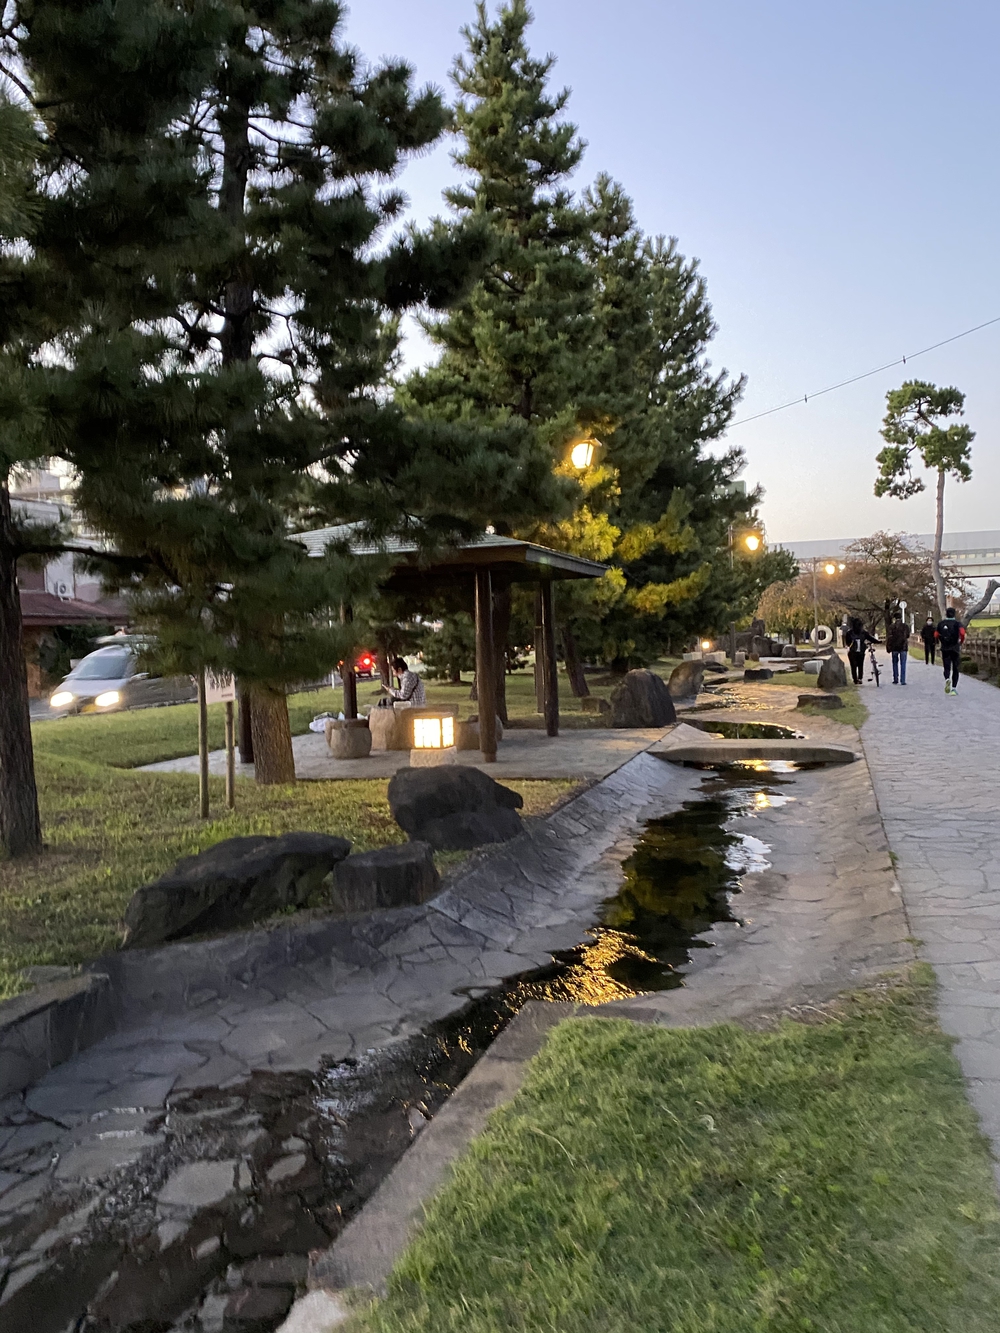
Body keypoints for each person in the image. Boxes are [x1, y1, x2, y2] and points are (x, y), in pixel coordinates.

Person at [936, 608, 965, 696]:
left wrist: (940, 640)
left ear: (946, 614)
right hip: (955, 648)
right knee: (956, 668)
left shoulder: (941, 623)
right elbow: (962, 633)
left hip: (945, 648)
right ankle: (954, 689)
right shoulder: (957, 624)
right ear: (954, 614)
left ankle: (947, 678)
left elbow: (936, 634)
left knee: (946, 666)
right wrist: (961, 641)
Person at [844, 616, 877, 684]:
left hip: (852, 651)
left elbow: (847, 642)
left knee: (853, 666)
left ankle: (855, 679)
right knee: (860, 665)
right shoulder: (863, 632)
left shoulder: (849, 633)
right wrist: (878, 641)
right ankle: (860, 678)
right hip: (861, 651)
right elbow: (871, 638)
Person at [885, 611, 909, 685]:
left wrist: (888, 647)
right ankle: (903, 680)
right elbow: (907, 636)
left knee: (895, 663)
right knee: (903, 664)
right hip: (903, 647)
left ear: (894, 618)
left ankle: (895, 678)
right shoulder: (905, 626)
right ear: (901, 618)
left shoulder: (891, 627)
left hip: (894, 647)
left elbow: (889, 637)